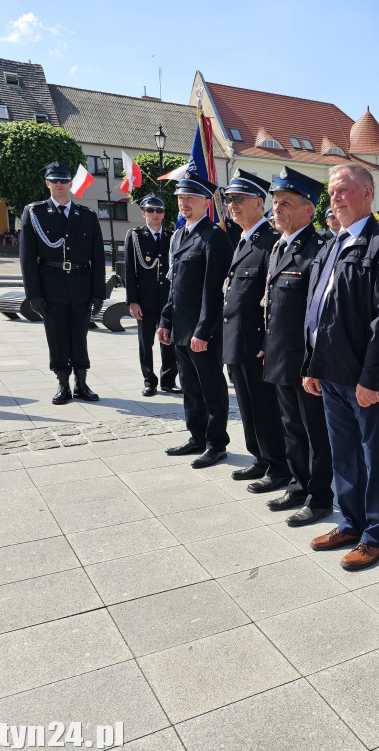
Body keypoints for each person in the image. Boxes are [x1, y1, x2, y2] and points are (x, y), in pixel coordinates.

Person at [302, 163, 379, 570]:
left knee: (374, 457)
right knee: (343, 454)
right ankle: (350, 523)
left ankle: (376, 536)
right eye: (331, 192)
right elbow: (317, 310)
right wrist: (312, 364)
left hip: (364, 379)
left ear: (367, 194)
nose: (335, 198)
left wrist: (372, 379)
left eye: (343, 190)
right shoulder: (332, 245)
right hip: (330, 373)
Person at [262, 167, 334, 525]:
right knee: (291, 427)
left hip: (305, 361)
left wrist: (314, 363)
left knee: (315, 432)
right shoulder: (279, 247)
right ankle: (298, 484)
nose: (277, 209)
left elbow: (320, 315)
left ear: (308, 210)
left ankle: (320, 497)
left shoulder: (317, 251)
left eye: (286, 203)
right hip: (280, 356)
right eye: (275, 202)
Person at [221, 169, 292, 490]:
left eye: (239, 199)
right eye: (229, 199)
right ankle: (261, 457)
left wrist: (267, 341)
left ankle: (278, 466)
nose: (232, 204)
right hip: (238, 341)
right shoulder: (244, 240)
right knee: (248, 407)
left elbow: (275, 298)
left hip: (257, 345)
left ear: (259, 203)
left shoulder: (270, 243)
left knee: (265, 409)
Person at [159, 171, 233, 468]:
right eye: (180, 197)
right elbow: (175, 284)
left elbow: (215, 290)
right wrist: (165, 320)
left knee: (211, 388)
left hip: (203, 331)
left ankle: (217, 444)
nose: (184, 203)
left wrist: (203, 331)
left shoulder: (215, 237)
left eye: (190, 197)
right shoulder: (179, 235)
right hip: (180, 326)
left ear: (206, 202)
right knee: (190, 387)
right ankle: (197, 436)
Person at [19, 161, 106, 404]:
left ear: (71, 183)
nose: (59, 184)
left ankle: (82, 383)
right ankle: (63, 384)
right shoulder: (34, 213)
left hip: (81, 284)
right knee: (56, 336)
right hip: (51, 285)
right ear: (47, 183)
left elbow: (98, 257)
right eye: (54, 180)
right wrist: (33, 294)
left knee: (80, 336)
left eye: (64, 180)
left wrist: (98, 293)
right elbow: (27, 257)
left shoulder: (87, 215)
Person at [124, 194, 179, 397]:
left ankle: (168, 380)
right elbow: (129, 270)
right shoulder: (135, 236)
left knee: (169, 341)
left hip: (167, 299)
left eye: (159, 210)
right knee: (145, 343)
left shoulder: (173, 236)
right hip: (144, 300)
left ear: (164, 214)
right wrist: (132, 301)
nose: (155, 214)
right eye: (150, 210)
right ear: (143, 213)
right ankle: (149, 381)